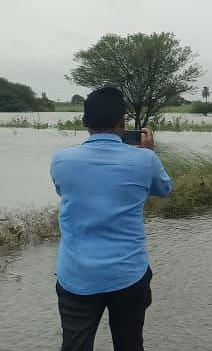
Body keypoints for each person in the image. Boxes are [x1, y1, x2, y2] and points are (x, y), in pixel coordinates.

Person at [50, 86, 172, 351]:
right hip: (127, 273)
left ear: (85, 122)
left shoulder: (61, 161)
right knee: (129, 345)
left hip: (76, 275)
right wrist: (149, 152)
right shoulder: (145, 160)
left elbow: (63, 190)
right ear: (123, 121)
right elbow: (164, 190)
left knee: (74, 346)